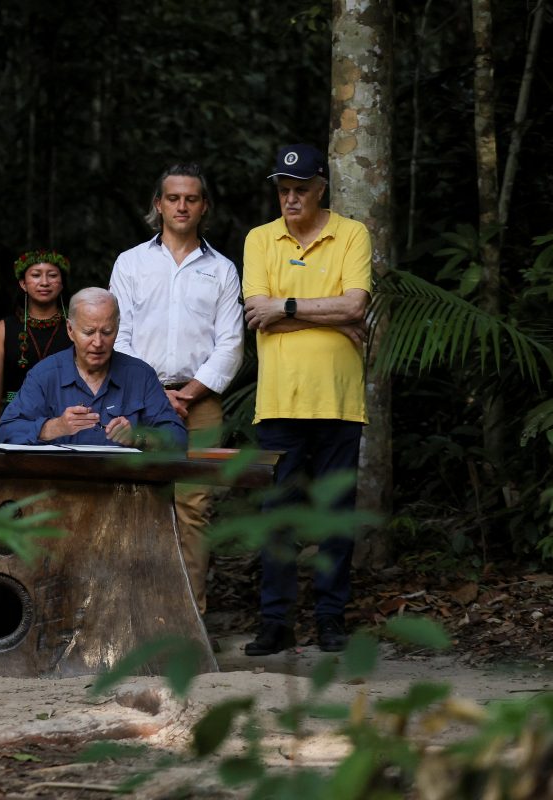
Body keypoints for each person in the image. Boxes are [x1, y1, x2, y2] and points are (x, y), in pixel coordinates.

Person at [242, 143, 372, 655]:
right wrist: (331, 313)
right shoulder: (259, 239)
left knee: (336, 514)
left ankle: (330, 617)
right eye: (283, 190)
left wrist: (287, 307)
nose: (290, 199)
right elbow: (256, 309)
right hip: (279, 402)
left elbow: (357, 304)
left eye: (300, 189)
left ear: (321, 189)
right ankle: (276, 621)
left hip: (340, 403)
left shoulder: (352, 234)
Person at [110, 163, 243, 614]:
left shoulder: (222, 270)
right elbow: (117, 336)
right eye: (173, 198)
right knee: (139, 505)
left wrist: (188, 393)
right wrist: (155, 393)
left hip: (200, 405)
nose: (181, 206)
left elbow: (230, 343)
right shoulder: (131, 263)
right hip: (137, 402)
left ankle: (190, 621)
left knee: (193, 509)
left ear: (204, 206)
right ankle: (137, 619)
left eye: (191, 198)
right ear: (158, 205)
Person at [0, 288, 187, 448]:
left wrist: (138, 437)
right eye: (88, 332)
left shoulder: (140, 375)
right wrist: (54, 427)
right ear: (70, 330)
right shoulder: (44, 375)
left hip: (126, 487)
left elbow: (178, 438)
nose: (98, 342)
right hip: (59, 485)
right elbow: (7, 430)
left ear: (118, 329)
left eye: (107, 332)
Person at [0, 249, 72, 444]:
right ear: (23, 283)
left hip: (64, 422)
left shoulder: (75, 329)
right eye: (36, 275)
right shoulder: (3, 330)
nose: (45, 282)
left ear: (61, 283)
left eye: (53, 275)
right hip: (15, 420)